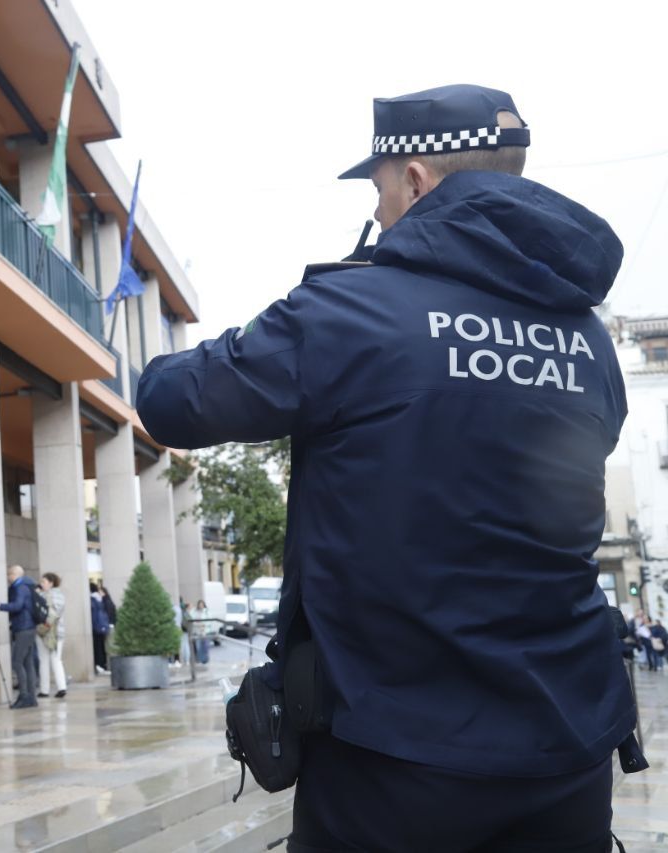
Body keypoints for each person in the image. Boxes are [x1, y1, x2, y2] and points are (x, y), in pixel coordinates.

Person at [136, 84, 641, 850]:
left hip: (395, 751)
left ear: (414, 178)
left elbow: (172, 401)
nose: (375, 211)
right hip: (567, 745)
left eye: (377, 187)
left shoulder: (355, 313)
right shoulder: (588, 341)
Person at [0, 565, 38, 708]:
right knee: (27, 663)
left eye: (8, 574)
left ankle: (24, 696)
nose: (7, 577)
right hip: (28, 628)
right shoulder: (24, 586)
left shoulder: (20, 588)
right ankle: (31, 698)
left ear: (14, 574)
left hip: (23, 628)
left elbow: (17, 606)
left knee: (17, 662)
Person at [35, 573, 67, 699]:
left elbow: (52, 612)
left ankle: (49, 689)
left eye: (44, 581)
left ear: (51, 583)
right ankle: (55, 688)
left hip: (49, 631)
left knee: (49, 659)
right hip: (51, 631)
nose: (41, 583)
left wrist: (45, 625)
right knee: (51, 659)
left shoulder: (49, 595)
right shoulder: (57, 596)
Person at [90, 582, 110, 674]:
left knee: (97, 647)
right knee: (101, 646)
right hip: (101, 626)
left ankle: (99, 665)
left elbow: (93, 615)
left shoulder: (92, 600)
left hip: (95, 627)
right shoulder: (100, 599)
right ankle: (102, 664)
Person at [189, 600, 211, 665]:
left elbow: (209, 620)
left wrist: (204, 626)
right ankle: (199, 659)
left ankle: (205, 659)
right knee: (198, 646)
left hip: (205, 631)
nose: (201, 606)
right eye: (200, 604)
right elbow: (191, 619)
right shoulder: (194, 611)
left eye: (202, 604)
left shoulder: (206, 611)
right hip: (197, 631)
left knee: (205, 646)